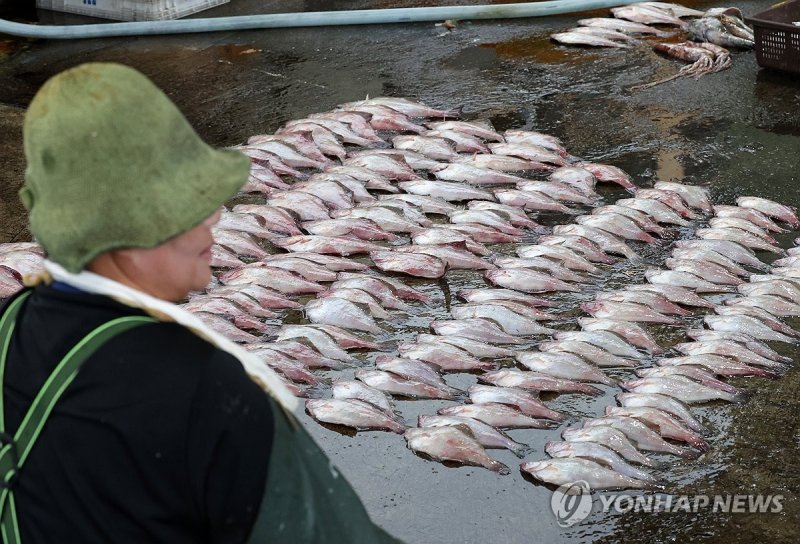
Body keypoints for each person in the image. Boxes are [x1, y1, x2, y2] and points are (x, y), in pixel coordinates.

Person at [0, 62, 400, 544]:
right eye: (189, 202)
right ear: (129, 232)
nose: (216, 214)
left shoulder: (9, 323)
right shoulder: (208, 390)